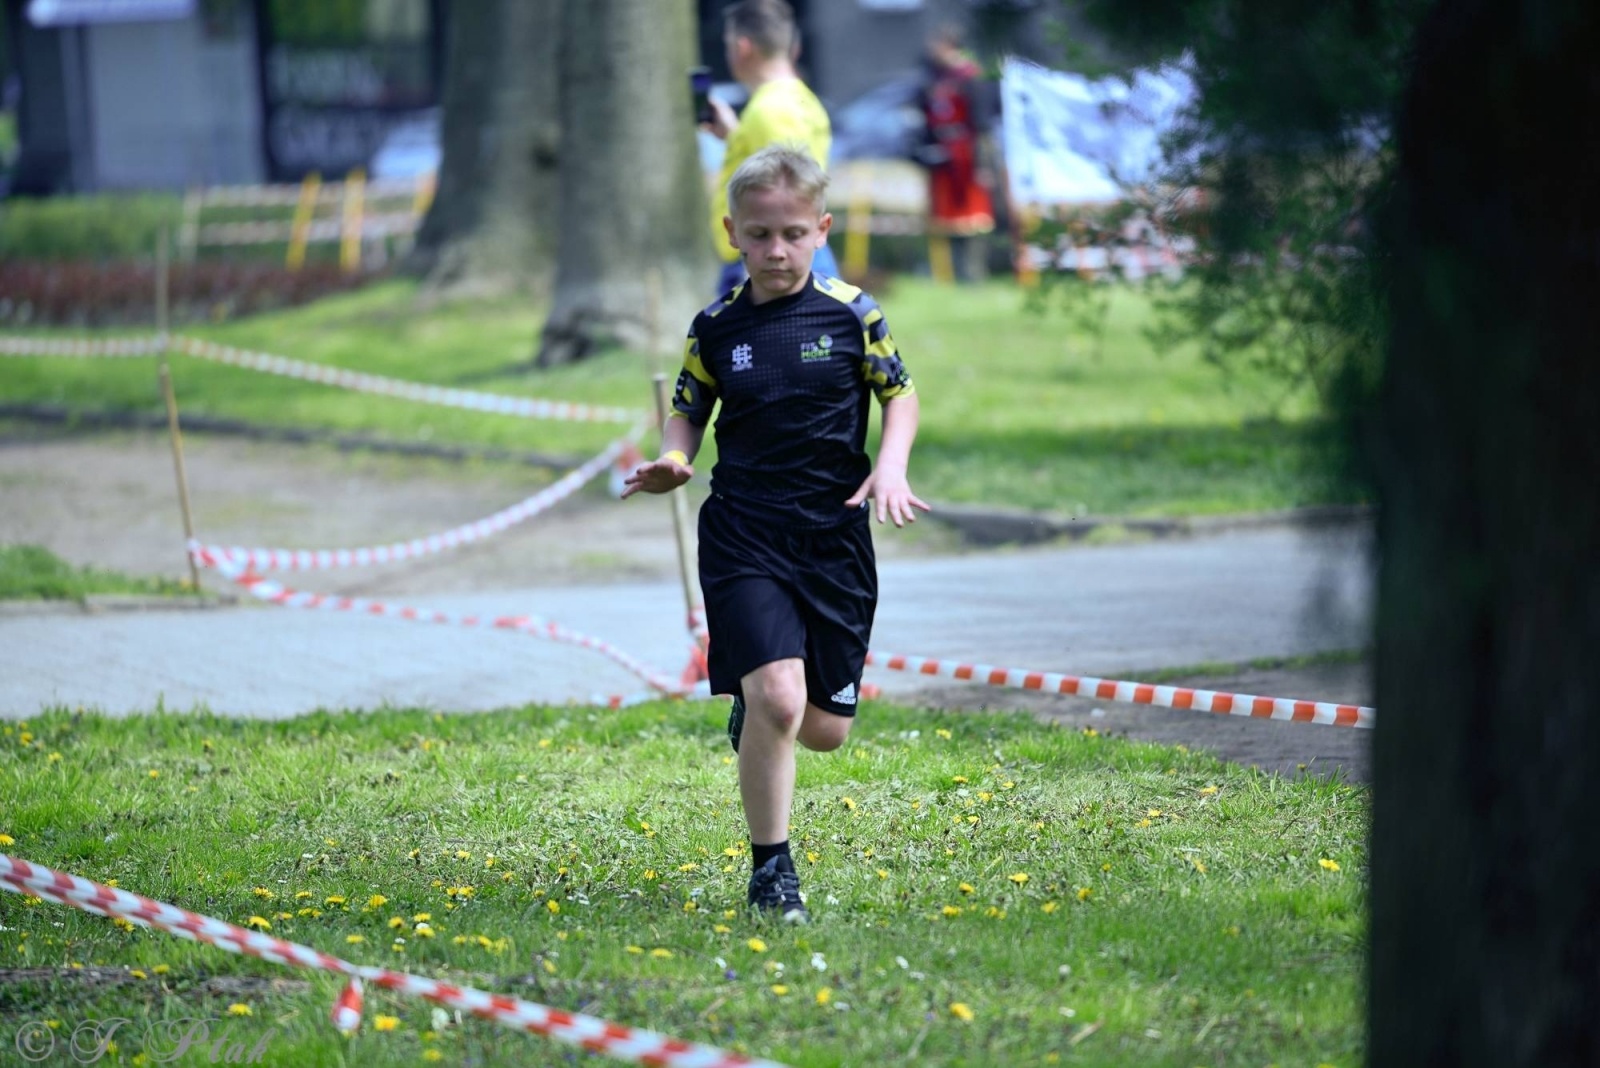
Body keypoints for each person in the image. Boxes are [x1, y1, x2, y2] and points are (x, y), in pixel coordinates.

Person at [623, 145, 927, 922]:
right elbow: (689, 407)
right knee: (782, 703)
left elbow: (901, 397)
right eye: (759, 234)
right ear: (733, 232)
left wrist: (890, 469)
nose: (777, 250)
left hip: (835, 538)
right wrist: (671, 457)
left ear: (821, 228)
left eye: (794, 233)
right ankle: (771, 872)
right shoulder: (717, 327)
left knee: (822, 731)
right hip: (745, 533)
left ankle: (755, 711)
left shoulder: (854, 313)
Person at [703, 0, 840, 294]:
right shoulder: (799, 100)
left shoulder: (770, 110)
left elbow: (783, 193)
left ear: (742, 47)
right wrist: (736, 137)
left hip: (765, 262)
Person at [916, 25, 996, 283]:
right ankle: (953, 273)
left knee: (972, 217)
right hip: (944, 155)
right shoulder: (937, 78)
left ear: (948, 45)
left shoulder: (970, 77)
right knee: (947, 219)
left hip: (966, 156)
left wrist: (984, 163)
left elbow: (982, 124)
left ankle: (975, 273)